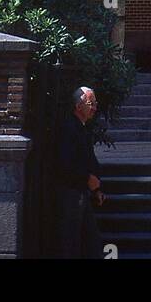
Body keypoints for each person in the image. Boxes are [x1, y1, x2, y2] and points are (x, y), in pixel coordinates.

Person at [55, 85, 104, 258]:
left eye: (95, 103)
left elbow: (89, 159)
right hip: (71, 193)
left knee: (89, 241)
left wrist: (96, 187)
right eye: (91, 103)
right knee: (71, 241)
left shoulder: (82, 128)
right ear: (78, 106)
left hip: (82, 191)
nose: (94, 107)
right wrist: (87, 178)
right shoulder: (69, 128)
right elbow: (65, 162)